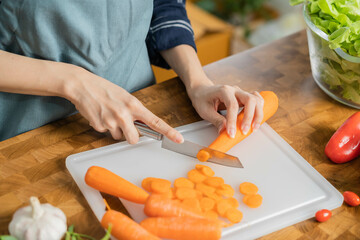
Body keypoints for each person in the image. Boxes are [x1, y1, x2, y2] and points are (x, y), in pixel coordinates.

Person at [0, 0, 264, 144]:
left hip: (139, 117)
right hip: (26, 136)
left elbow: (162, 3)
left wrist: (198, 82)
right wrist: (74, 82)